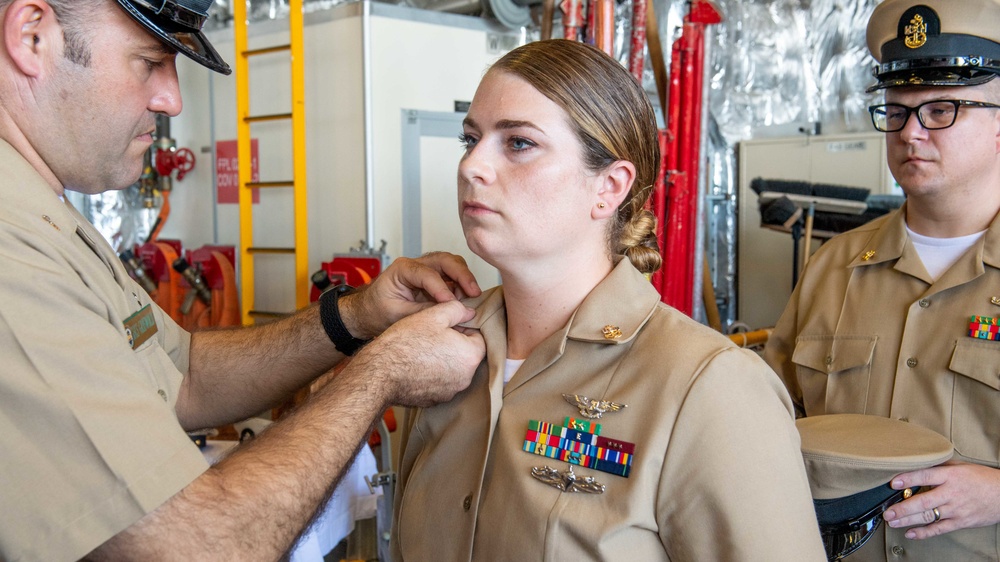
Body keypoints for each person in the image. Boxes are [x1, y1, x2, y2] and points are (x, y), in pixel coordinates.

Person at [0, 1, 486, 560]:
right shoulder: (14, 245)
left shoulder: (43, 213)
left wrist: (356, 317)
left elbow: (183, 374)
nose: (171, 100)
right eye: (148, 61)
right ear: (33, 36)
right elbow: (194, 549)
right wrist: (382, 373)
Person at [390, 39, 826, 561]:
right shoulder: (439, 349)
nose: (472, 167)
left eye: (519, 143)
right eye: (471, 140)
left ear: (609, 186)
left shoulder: (706, 386)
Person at [763, 0, 1000, 559]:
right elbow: (771, 412)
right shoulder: (833, 266)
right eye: (896, 110)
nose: (911, 133)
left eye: (942, 109)